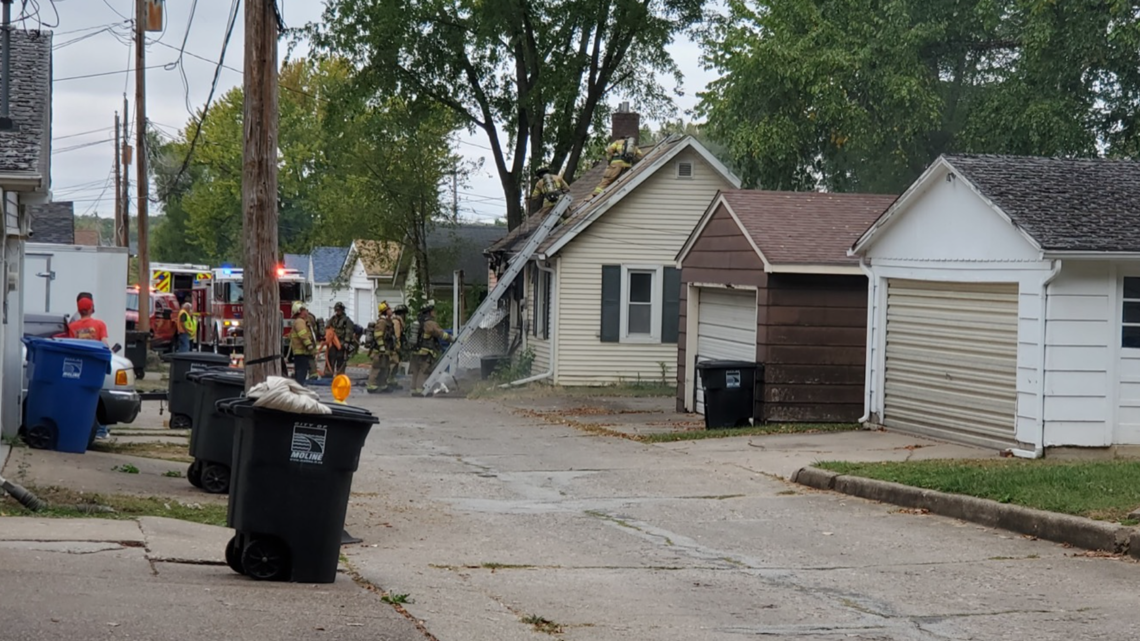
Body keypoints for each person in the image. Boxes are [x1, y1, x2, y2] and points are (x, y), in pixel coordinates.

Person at [409, 300, 452, 396]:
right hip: (425, 352)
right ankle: (421, 390)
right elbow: (441, 333)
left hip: (416, 351)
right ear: (429, 312)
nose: (434, 312)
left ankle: (413, 390)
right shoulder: (430, 323)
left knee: (416, 370)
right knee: (423, 371)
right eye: (433, 310)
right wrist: (451, 339)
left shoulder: (419, 322)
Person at [366, 301, 394, 393]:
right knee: (377, 367)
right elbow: (378, 335)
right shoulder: (382, 322)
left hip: (386, 349)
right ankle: (372, 385)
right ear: (385, 311)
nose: (391, 310)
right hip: (379, 350)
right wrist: (381, 346)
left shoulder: (387, 321)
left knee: (385, 367)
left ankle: (382, 385)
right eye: (389, 309)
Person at [289, 301, 317, 385]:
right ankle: (299, 390)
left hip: (302, 353)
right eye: (304, 310)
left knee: (302, 373)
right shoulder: (300, 322)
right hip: (301, 353)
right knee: (301, 374)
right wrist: (309, 345)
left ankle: (299, 388)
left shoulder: (302, 321)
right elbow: (303, 334)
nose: (306, 311)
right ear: (300, 311)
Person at [326, 302, 355, 377]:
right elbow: (327, 327)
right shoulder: (333, 319)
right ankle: (328, 374)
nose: (337, 311)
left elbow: (349, 332)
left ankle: (340, 376)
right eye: (336, 310)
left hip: (341, 344)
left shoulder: (347, 320)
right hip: (332, 343)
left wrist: (346, 342)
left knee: (340, 360)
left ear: (342, 310)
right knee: (330, 358)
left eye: (339, 310)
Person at [388, 304, 409, 390]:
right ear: (402, 314)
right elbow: (397, 336)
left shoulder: (397, 321)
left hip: (394, 346)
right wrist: (397, 347)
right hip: (394, 347)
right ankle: (388, 380)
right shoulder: (396, 322)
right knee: (393, 363)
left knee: (396, 364)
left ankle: (391, 380)